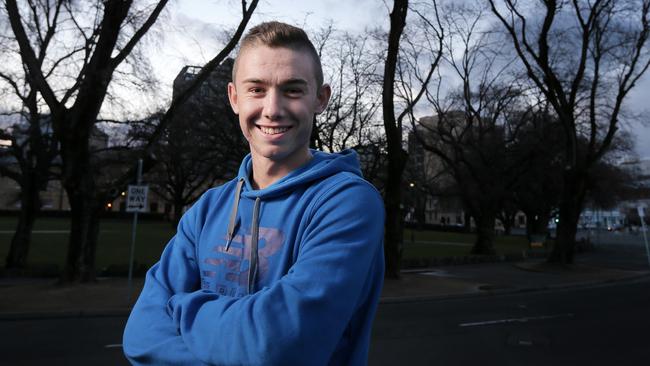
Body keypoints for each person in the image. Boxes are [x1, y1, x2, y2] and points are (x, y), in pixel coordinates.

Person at [122, 21, 385, 365]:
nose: (272, 109)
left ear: (320, 99)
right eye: (256, 89)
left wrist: (179, 306)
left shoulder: (348, 202)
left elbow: (277, 346)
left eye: (292, 90)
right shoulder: (207, 210)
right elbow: (140, 336)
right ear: (234, 98)